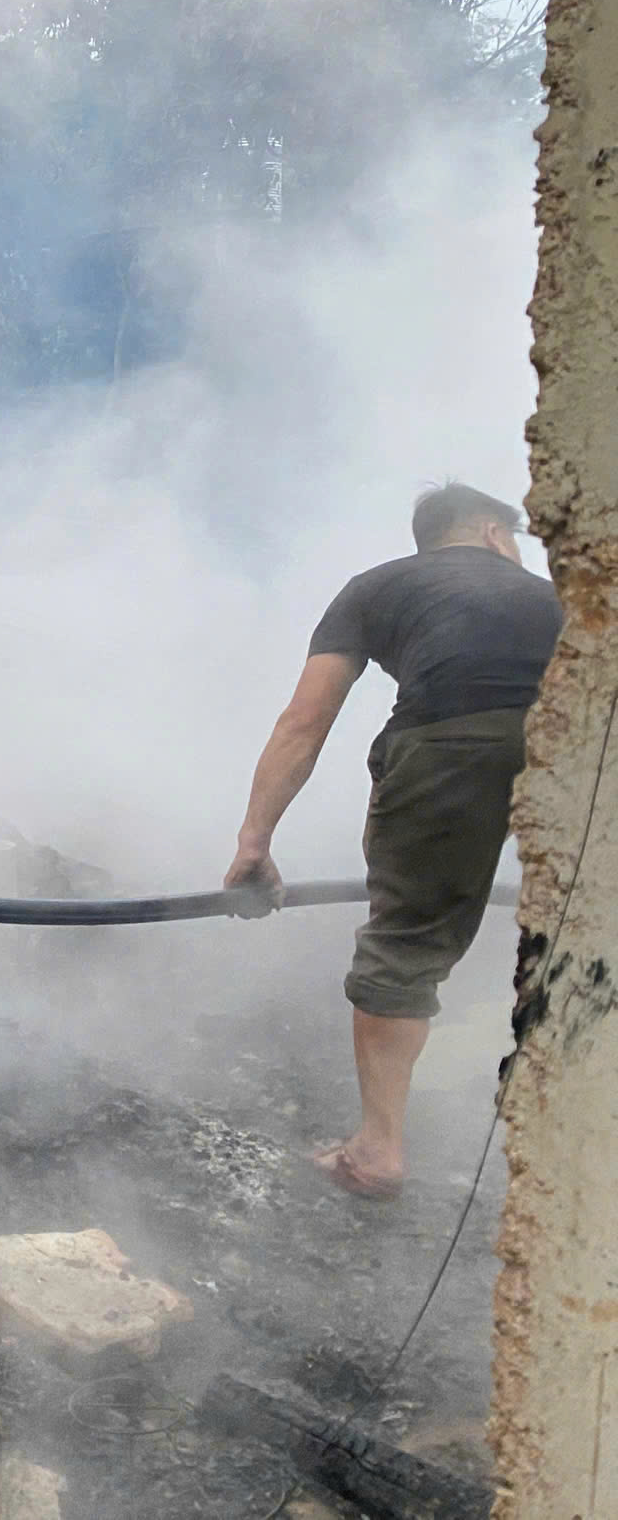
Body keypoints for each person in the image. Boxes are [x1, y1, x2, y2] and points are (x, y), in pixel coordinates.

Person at [224, 482, 561, 1197]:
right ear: (494, 533)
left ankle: (377, 1152)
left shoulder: (376, 587)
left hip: (448, 748)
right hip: (582, 744)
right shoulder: (557, 596)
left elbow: (303, 723)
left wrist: (255, 841)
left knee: (405, 944)